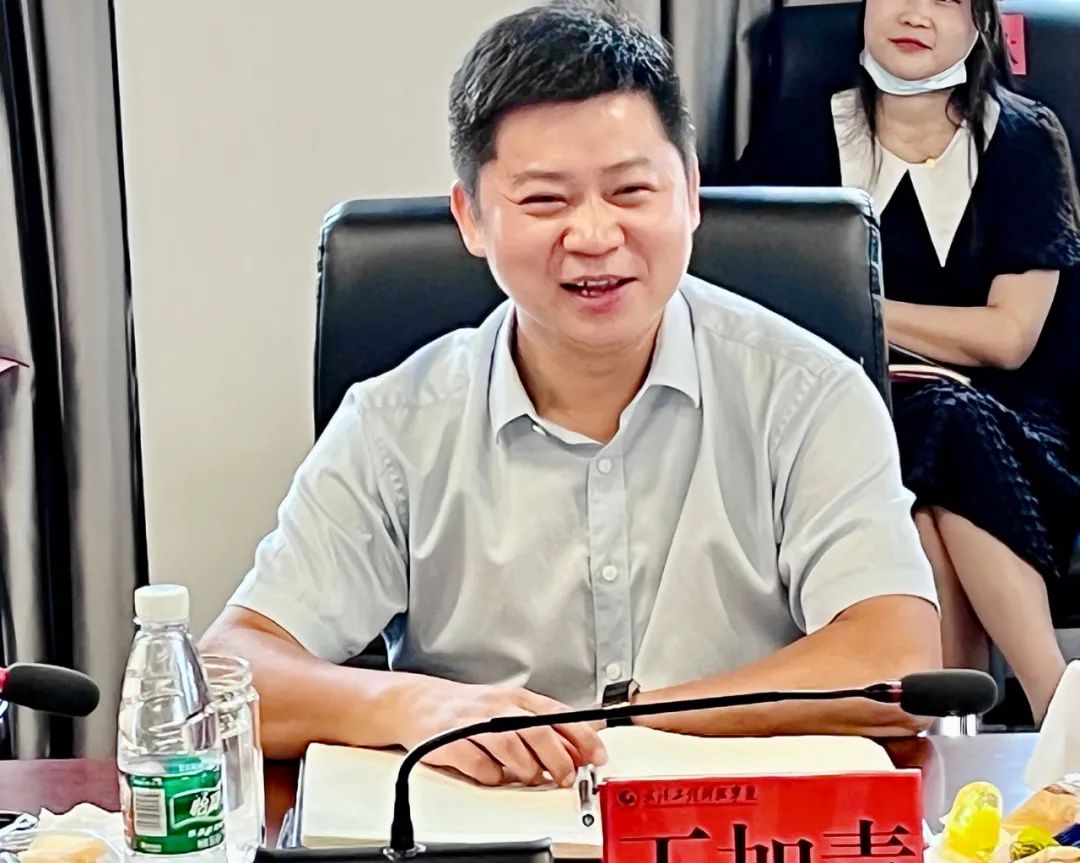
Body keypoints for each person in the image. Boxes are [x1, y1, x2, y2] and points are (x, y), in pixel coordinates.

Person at [201, 0, 940, 787]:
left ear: (690, 193)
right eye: (545, 200)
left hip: (729, 823)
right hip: (484, 823)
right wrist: (418, 707)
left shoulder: (807, 395)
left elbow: (896, 659)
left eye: (631, 191)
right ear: (471, 218)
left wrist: (618, 723)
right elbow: (228, 670)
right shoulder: (395, 424)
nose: (594, 236)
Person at [735, 0, 1080, 724]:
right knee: (906, 465)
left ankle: (1024, 708)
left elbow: (1008, 337)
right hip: (850, 414)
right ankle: (1026, 719)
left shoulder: (1024, 139)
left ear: (981, 23)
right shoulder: (803, 131)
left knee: (933, 438)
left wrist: (855, 311)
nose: (914, 13)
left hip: (1016, 431)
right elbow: (755, 294)